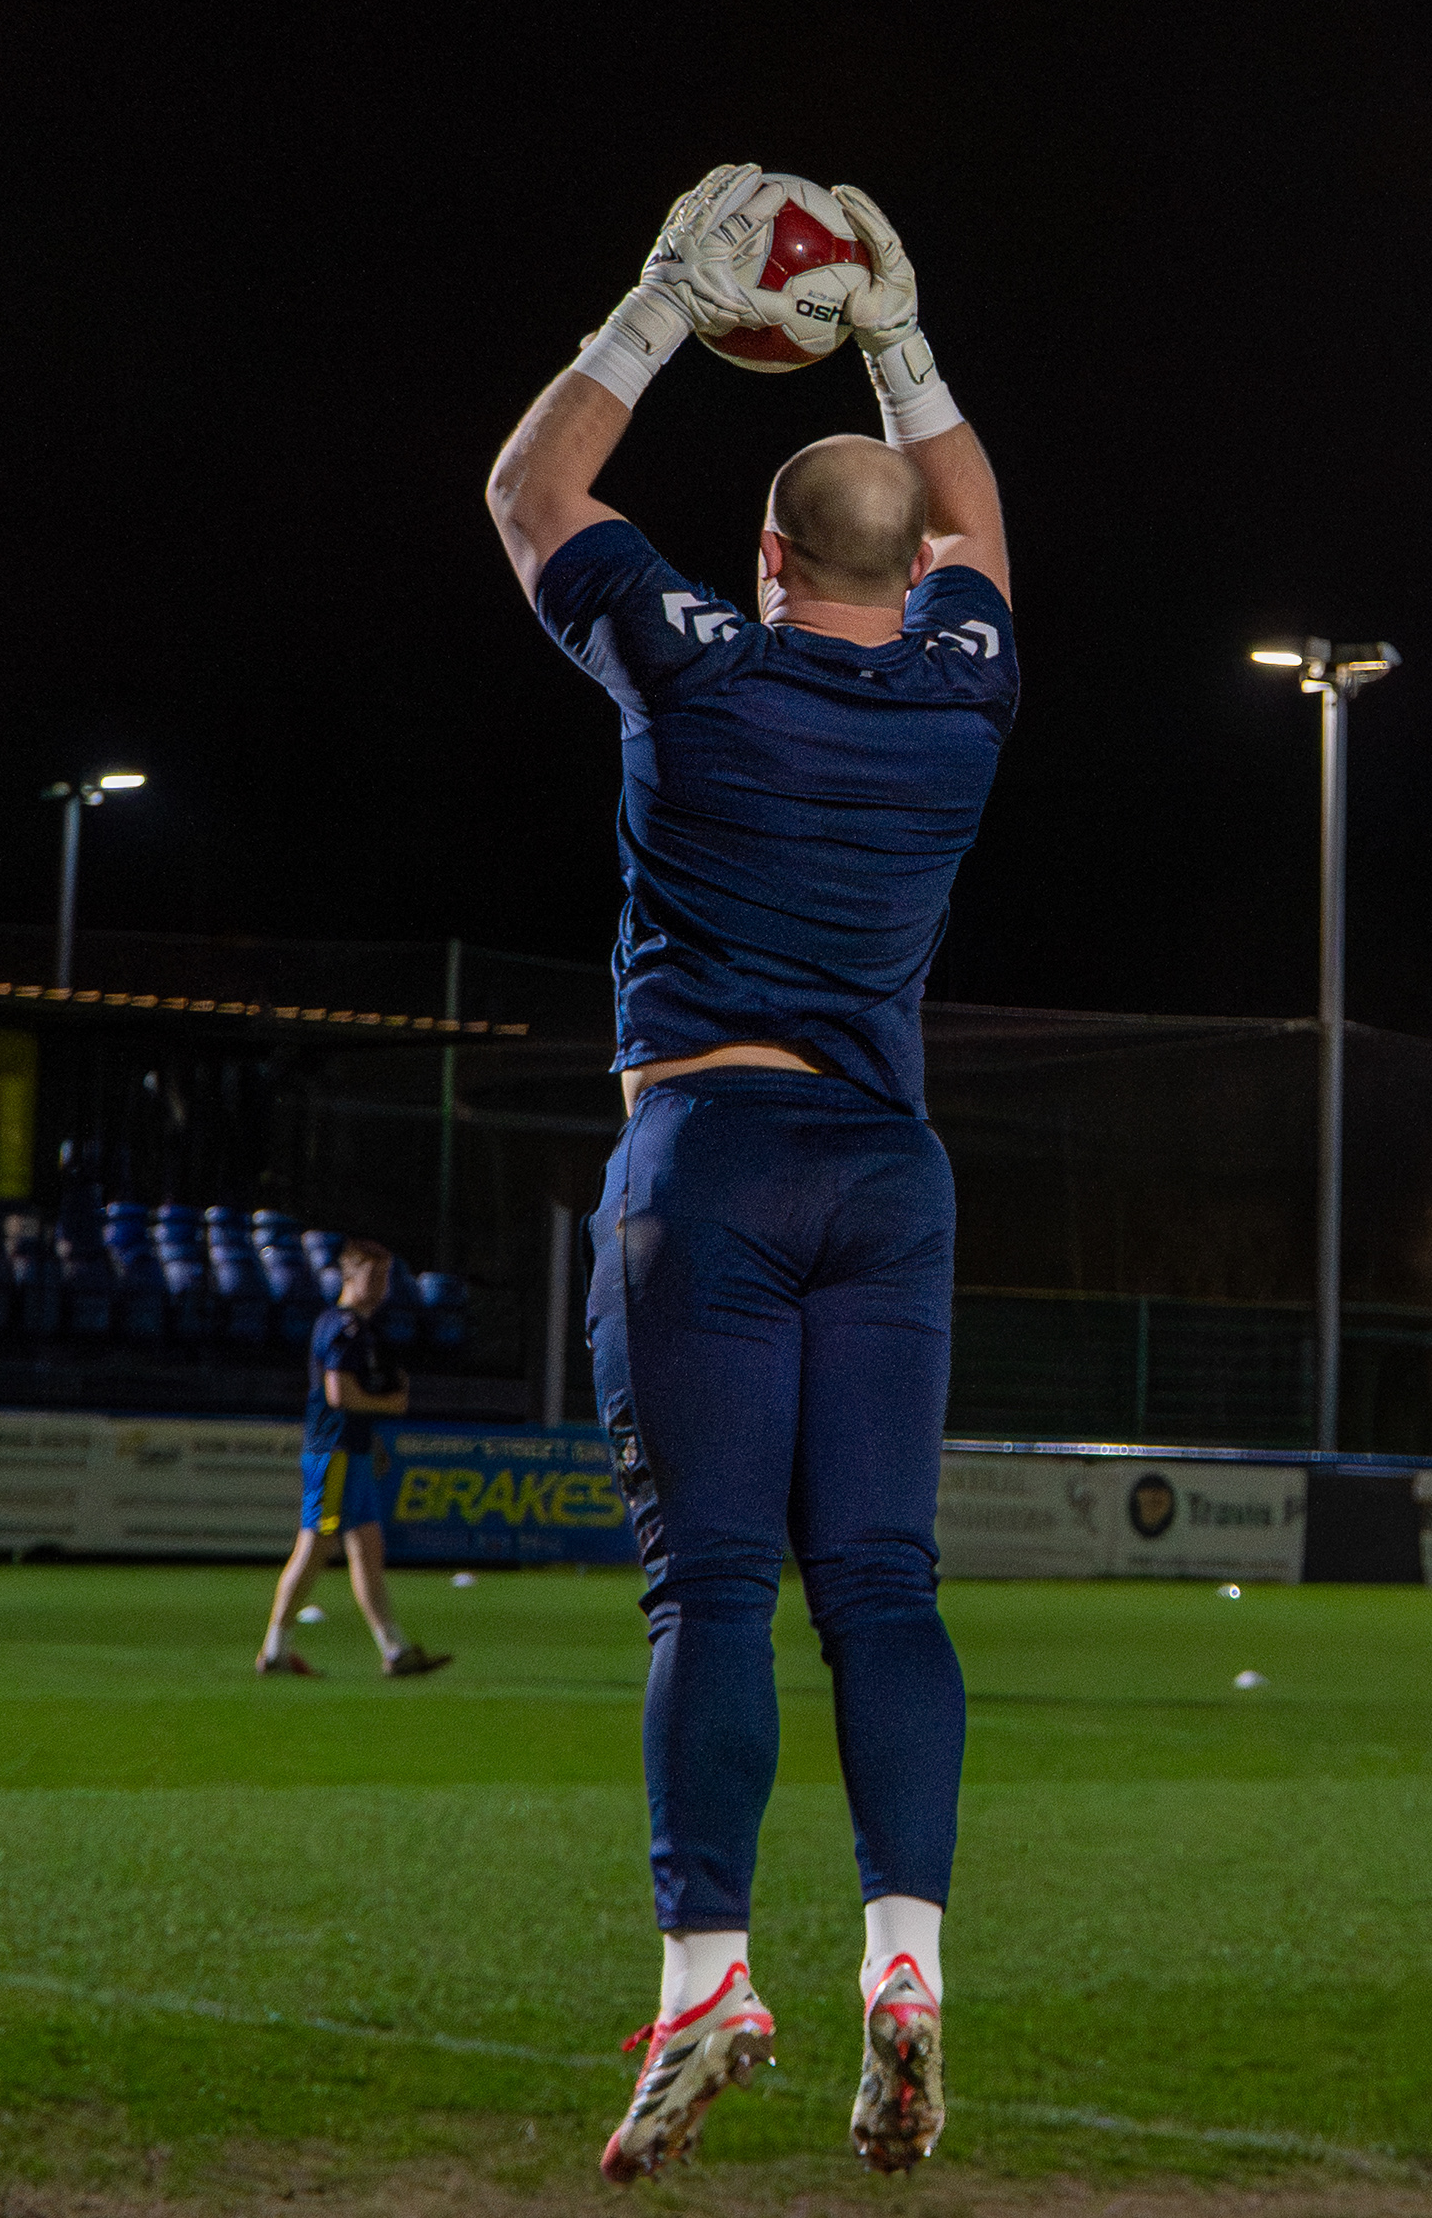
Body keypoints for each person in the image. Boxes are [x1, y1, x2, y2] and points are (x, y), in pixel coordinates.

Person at [485, 167, 1011, 2182]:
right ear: (907, 566)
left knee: (710, 1583)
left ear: (766, 556)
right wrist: (902, 341)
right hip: (891, 1175)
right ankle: (908, 1957)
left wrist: (652, 310)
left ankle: (709, 1972)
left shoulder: (700, 666)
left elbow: (531, 492)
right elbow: (978, 537)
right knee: (883, 1582)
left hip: (709, 1156)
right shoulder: (966, 693)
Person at [254, 1238, 449, 1680]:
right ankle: (275, 1650)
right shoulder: (344, 1327)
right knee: (315, 1545)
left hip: (350, 1451)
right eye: (372, 1276)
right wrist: (391, 1404)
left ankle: (395, 1649)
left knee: (368, 1547)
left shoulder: (357, 1327)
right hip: (334, 1453)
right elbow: (339, 1394)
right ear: (348, 1276)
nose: (381, 1286)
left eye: (385, 1277)